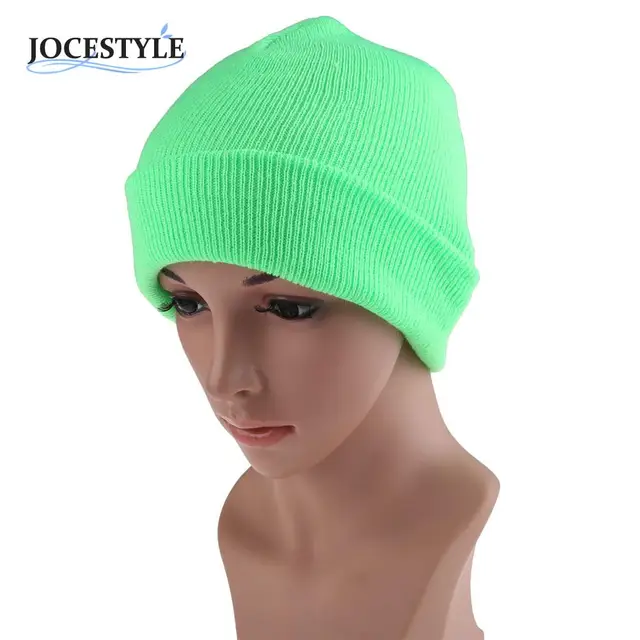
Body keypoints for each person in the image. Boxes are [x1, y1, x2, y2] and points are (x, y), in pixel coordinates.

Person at [125, 15, 499, 640]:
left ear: (412, 289)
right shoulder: (245, 526)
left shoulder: (443, 527)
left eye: (289, 308)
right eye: (187, 304)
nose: (224, 379)